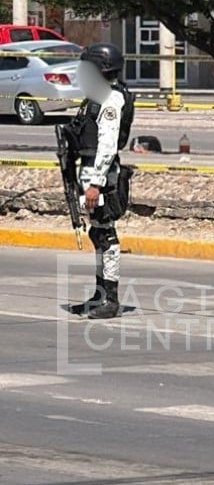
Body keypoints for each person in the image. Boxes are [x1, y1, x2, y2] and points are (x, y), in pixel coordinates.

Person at [66, 42, 135, 320]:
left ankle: (112, 299)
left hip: (103, 174)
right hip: (92, 169)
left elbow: (107, 145)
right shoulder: (97, 96)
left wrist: (95, 182)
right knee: (97, 232)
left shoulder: (111, 100)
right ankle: (100, 295)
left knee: (106, 234)